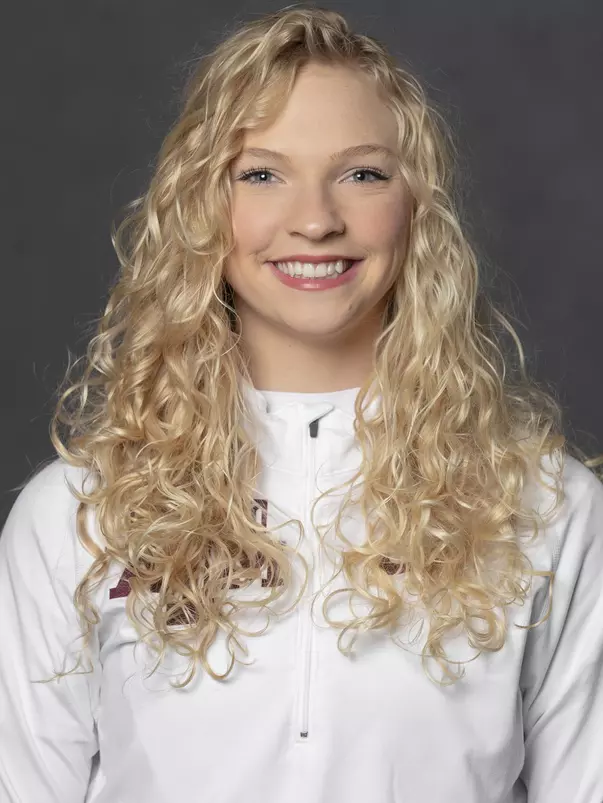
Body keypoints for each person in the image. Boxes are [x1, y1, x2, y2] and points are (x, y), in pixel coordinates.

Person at [1, 6, 602, 803]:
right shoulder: (76, 516)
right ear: (200, 208)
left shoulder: (545, 508)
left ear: (416, 207)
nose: (315, 220)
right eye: (261, 173)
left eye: (362, 173)